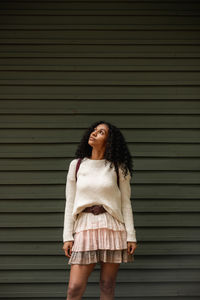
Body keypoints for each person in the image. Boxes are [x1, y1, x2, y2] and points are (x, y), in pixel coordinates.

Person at [62, 120, 137, 300]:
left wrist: (131, 235)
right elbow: (70, 202)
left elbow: (126, 203)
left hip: (111, 226)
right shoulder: (77, 165)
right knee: (74, 287)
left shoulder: (118, 168)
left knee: (107, 285)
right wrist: (67, 236)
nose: (94, 133)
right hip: (84, 226)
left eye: (101, 132)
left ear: (109, 141)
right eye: (94, 130)